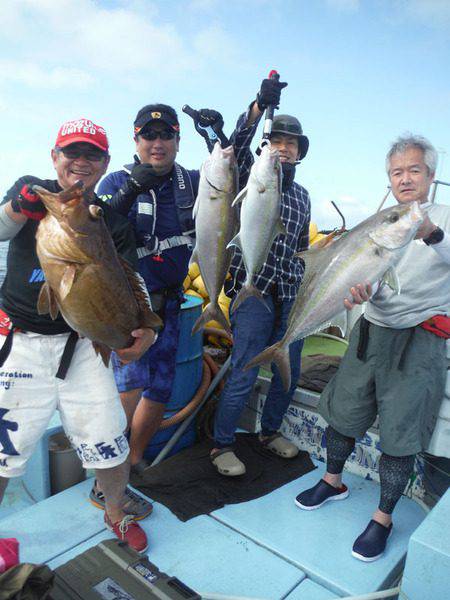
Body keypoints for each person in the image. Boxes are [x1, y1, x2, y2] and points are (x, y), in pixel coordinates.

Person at [0, 118, 159, 554]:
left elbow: (132, 288)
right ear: (55, 158)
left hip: (84, 347)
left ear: (105, 163)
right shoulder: (30, 194)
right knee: (3, 450)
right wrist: (16, 207)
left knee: (108, 438)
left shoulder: (113, 224)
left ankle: (115, 510)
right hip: (20, 346)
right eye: (72, 153)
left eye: (92, 156)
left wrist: (144, 331)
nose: (80, 163)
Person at [295, 134, 450, 562]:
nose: (405, 179)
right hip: (371, 330)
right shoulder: (382, 220)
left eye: (414, 170)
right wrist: (361, 291)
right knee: (343, 413)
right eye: (397, 172)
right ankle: (332, 480)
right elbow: (377, 273)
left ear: (430, 176)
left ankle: (382, 518)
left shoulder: (444, 217)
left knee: (400, 435)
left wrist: (432, 233)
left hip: (420, 339)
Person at [97, 104, 234, 476]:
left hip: (171, 304)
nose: (157, 143)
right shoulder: (114, 182)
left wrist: (224, 132)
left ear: (177, 139)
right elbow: (96, 232)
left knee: (161, 386)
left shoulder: (193, 181)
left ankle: (135, 457)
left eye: (166, 135)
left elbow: (235, 172)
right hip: (128, 306)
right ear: (136, 140)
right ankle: (111, 466)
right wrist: (130, 190)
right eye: (148, 135)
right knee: (129, 384)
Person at [211, 77, 312, 476]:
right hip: (254, 296)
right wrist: (257, 106)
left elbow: (301, 248)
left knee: (290, 372)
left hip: (290, 296)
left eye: (291, 144)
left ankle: (269, 432)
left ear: (301, 152)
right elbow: (238, 141)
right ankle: (221, 445)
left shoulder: (303, 196)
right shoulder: (250, 175)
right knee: (245, 371)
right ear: (266, 148)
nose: (283, 148)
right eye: (278, 141)